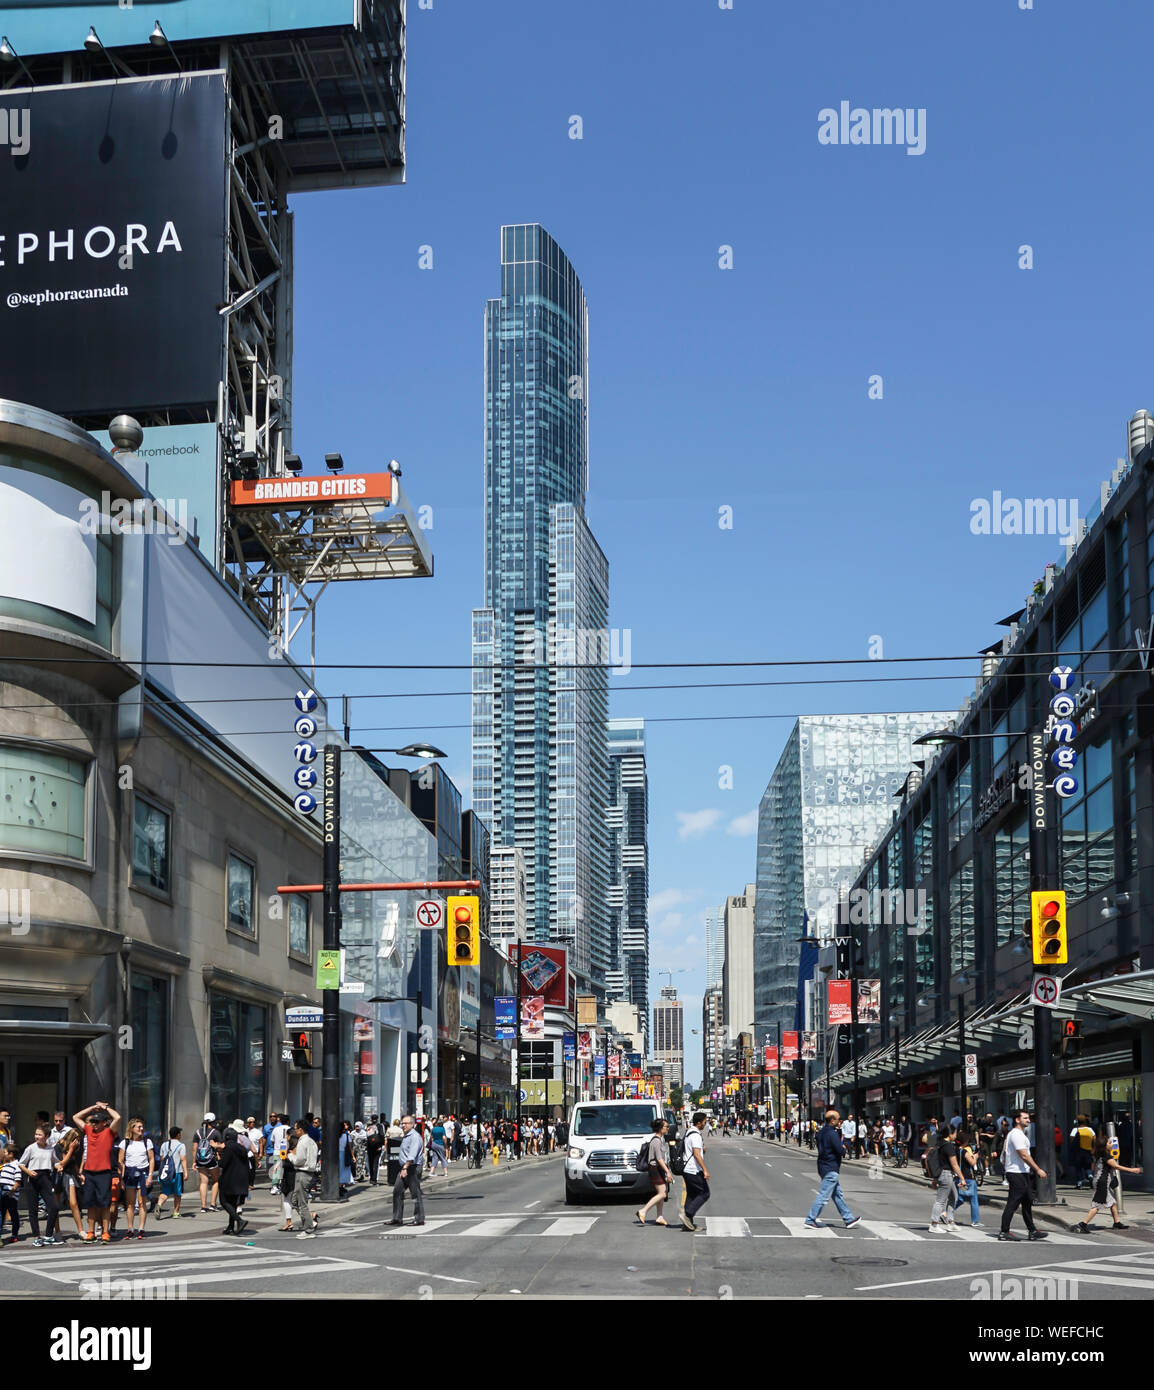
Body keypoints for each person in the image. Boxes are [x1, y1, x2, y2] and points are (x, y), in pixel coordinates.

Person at [72, 1100, 121, 1243]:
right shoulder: (88, 1130)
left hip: (104, 1173)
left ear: (104, 1122)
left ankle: (105, 1232)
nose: (94, 1124)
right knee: (90, 1204)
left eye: (97, 1121)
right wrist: (93, 1107)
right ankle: (91, 1232)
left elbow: (117, 1117)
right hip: (89, 1173)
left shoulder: (109, 1132)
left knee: (104, 1204)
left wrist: (105, 1107)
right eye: (93, 1121)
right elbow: (76, 1117)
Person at [805, 1109, 861, 1230]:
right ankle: (810, 1219)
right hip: (831, 1167)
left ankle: (848, 1219)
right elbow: (839, 1150)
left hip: (823, 1165)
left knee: (837, 1195)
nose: (840, 1121)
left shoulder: (821, 1132)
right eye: (838, 1119)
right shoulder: (832, 1133)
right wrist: (844, 1147)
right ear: (832, 1120)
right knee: (824, 1196)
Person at [1074, 1135, 1141, 1232]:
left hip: (1100, 1181)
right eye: (1109, 1143)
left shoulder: (1100, 1154)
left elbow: (1109, 1144)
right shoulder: (1106, 1157)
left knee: (1112, 1202)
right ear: (1104, 1146)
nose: (1112, 1145)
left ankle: (1117, 1222)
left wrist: (1114, 1139)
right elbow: (1117, 1166)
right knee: (1097, 1205)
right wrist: (1132, 1170)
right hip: (1102, 1183)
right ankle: (1083, 1224)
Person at [999, 1109, 1048, 1242]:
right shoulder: (1016, 1134)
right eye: (1025, 1118)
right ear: (1017, 1120)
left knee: (1027, 1201)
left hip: (1021, 1172)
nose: (1028, 1120)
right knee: (1013, 1203)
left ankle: (1032, 1231)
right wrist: (1037, 1169)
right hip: (1016, 1173)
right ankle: (1004, 1232)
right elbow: (1024, 1154)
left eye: (1028, 1118)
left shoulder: (1019, 1134)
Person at [19, 1124, 61, 1247]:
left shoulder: (50, 1149)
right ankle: (37, 1237)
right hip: (32, 1178)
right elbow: (21, 1164)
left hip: (46, 1178)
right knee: (33, 1210)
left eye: (39, 1134)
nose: (36, 1136)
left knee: (54, 1207)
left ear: (47, 1136)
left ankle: (48, 1235)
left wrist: (59, 1166)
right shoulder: (30, 1148)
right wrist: (28, 1172)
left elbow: (55, 1162)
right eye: (36, 1134)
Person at [117, 1116, 155, 1240]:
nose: (141, 1129)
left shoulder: (147, 1142)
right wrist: (121, 1178)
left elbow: (151, 1159)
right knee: (130, 1204)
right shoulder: (125, 1142)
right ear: (132, 1128)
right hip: (129, 1174)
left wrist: (150, 1176)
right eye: (139, 1127)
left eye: (142, 1126)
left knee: (142, 1202)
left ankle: (142, 1228)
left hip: (143, 1174)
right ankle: (130, 1228)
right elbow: (120, 1161)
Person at [636, 1117, 674, 1226]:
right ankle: (643, 1211)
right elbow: (659, 1159)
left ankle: (659, 1216)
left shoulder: (658, 1139)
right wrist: (668, 1171)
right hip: (655, 1169)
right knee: (662, 1194)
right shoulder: (656, 1141)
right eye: (666, 1127)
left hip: (657, 1169)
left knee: (662, 1192)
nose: (668, 1129)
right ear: (661, 1128)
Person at [927, 1120, 962, 1232]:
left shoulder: (939, 1143)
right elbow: (955, 1164)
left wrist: (935, 1178)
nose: (956, 1135)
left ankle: (950, 1222)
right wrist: (962, 1178)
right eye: (955, 1133)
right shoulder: (948, 1146)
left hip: (944, 1174)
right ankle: (934, 1224)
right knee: (940, 1201)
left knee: (953, 1197)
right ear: (950, 1134)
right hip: (946, 1174)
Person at [390, 1114, 425, 1227]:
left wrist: (405, 1167)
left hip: (412, 1167)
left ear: (412, 1124)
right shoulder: (406, 1136)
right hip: (405, 1167)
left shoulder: (415, 1137)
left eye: (406, 1123)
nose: (403, 1125)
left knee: (415, 1193)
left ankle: (419, 1218)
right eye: (402, 1123)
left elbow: (412, 1155)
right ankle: (397, 1218)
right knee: (397, 1191)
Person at [680, 1112, 710, 1232]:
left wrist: (702, 1150)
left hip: (687, 1169)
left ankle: (688, 1224)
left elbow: (694, 1151)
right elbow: (697, 1155)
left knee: (692, 1195)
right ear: (699, 1122)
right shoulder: (696, 1135)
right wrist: (705, 1170)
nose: (705, 1123)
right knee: (705, 1193)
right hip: (693, 1170)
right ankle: (687, 1214)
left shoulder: (689, 1132)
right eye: (704, 1121)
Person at [289, 1118, 319, 1236]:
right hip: (309, 1173)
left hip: (302, 1173)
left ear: (301, 1130)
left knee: (301, 1203)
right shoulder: (312, 1142)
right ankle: (309, 1222)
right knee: (295, 1201)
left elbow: (299, 1160)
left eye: (295, 1129)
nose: (294, 1131)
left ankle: (309, 1228)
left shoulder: (303, 1142)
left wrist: (290, 1156)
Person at [54, 1127, 85, 1240]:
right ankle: (57, 1231)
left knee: (73, 1203)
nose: (78, 1142)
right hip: (58, 1177)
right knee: (56, 1205)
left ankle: (81, 1230)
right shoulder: (58, 1147)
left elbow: (73, 1163)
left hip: (70, 1176)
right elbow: (61, 1163)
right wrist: (71, 1149)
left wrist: (79, 1174)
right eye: (76, 1139)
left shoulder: (75, 1148)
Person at [154, 1126, 188, 1220]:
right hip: (177, 1173)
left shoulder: (164, 1145)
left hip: (166, 1173)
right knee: (177, 1193)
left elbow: (161, 1159)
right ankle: (176, 1212)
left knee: (165, 1192)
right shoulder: (181, 1145)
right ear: (178, 1135)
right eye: (180, 1133)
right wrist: (186, 1172)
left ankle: (159, 1205)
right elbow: (183, 1159)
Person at [952, 1128, 982, 1227]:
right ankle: (975, 1220)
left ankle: (946, 1213)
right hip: (968, 1177)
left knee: (960, 1198)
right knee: (973, 1199)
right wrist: (976, 1156)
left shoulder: (955, 1149)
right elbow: (972, 1163)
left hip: (958, 1177)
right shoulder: (964, 1152)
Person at [193, 1113, 222, 1213]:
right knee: (215, 1181)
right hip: (212, 1160)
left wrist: (194, 1162)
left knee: (203, 1182)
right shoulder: (215, 1132)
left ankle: (203, 1206)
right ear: (213, 1122)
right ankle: (213, 1204)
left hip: (200, 1160)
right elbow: (219, 1146)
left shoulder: (197, 1132)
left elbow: (194, 1149)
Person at [0, 1142, 21, 1242]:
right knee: (2, 1214)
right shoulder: (5, 1165)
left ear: (11, 1154)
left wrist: (11, 1194)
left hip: (11, 1196)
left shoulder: (16, 1165)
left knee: (13, 1215)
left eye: (5, 1152)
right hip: (3, 1194)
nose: (3, 1154)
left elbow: (17, 1181)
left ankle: (14, 1234)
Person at [1070, 1116, 1095, 1188]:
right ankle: (1090, 1176)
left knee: (1078, 1167)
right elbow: (1094, 1138)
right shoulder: (1090, 1129)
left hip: (1078, 1151)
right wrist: (1093, 1149)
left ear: (1077, 1122)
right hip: (1088, 1151)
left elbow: (1071, 1139)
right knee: (1088, 1166)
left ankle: (1079, 1183)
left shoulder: (1075, 1129)